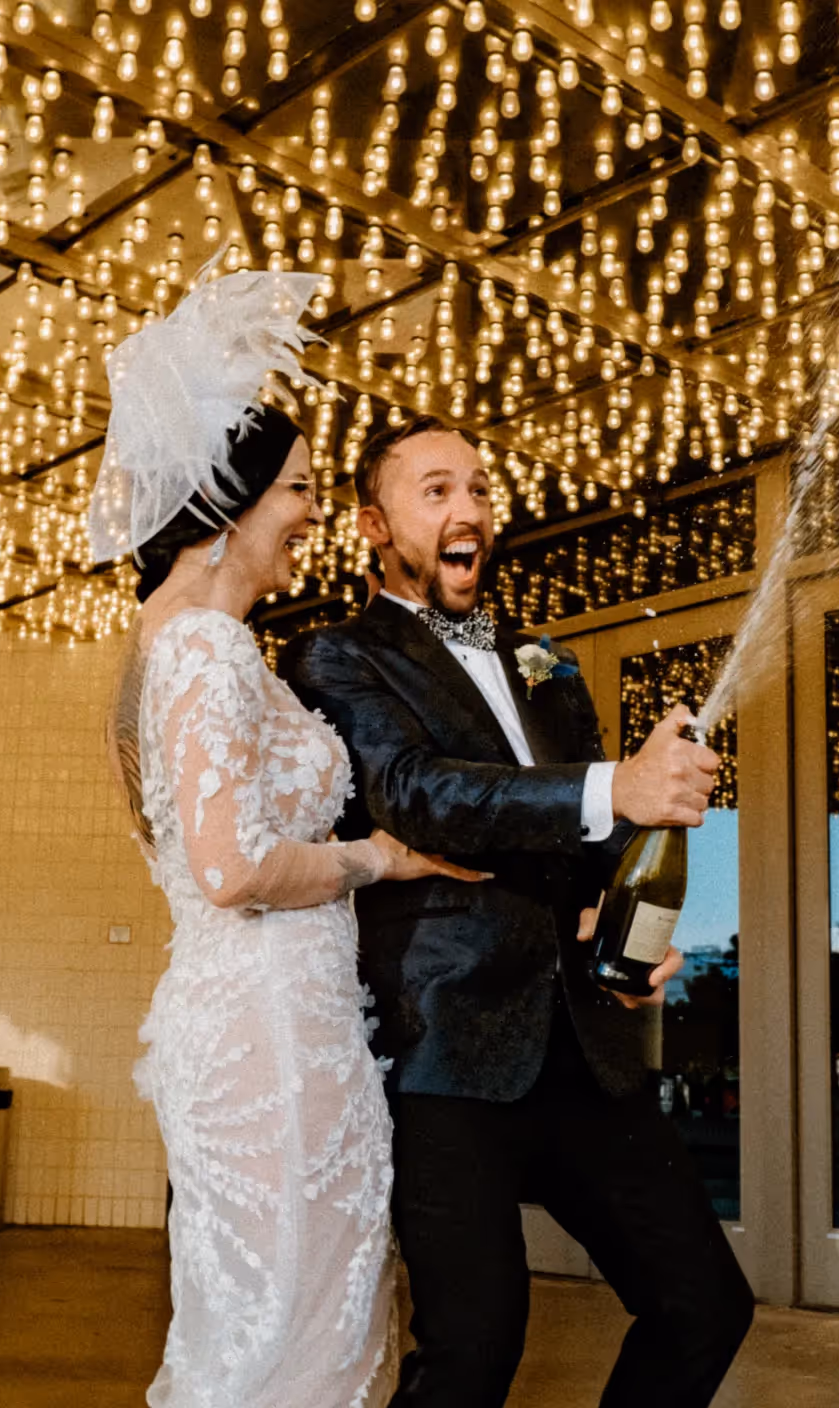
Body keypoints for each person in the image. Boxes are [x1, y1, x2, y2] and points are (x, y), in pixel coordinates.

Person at [281, 415, 757, 1408]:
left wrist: (623, 912)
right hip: (441, 1046)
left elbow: (586, 828)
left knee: (705, 1303)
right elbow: (417, 794)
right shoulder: (335, 657)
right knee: (475, 1350)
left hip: (581, 1037)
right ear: (374, 523)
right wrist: (615, 788)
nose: (471, 512)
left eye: (483, 490)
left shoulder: (545, 660)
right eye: (438, 490)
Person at [91, 269, 482, 1408]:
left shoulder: (175, 646)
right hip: (270, 1032)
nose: (312, 510)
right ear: (232, 501)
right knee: (291, 1335)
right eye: (302, 488)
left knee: (278, 1319)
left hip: (264, 1018)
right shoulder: (207, 649)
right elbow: (229, 866)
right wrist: (384, 858)